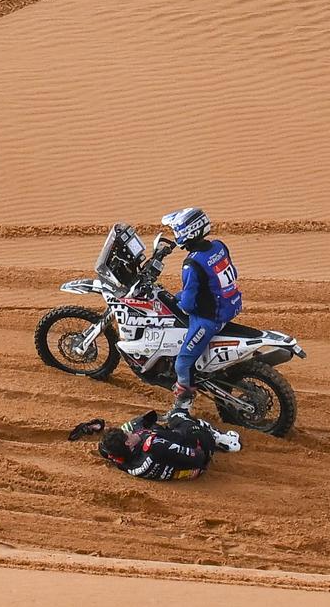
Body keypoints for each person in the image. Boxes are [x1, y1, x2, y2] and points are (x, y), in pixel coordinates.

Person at [159, 206, 242, 417]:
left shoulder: (191, 264)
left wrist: (178, 302)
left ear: (187, 232)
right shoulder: (218, 246)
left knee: (182, 362)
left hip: (210, 318)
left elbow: (187, 305)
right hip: (230, 303)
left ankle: (183, 402)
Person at [69, 410, 241, 481]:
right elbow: (198, 457)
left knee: (141, 424)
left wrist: (96, 429)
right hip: (199, 452)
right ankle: (221, 439)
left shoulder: (118, 457)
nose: (130, 433)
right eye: (128, 435)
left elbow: (105, 449)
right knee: (177, 414)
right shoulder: (155, 446)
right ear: (128, 442)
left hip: (164, 452)